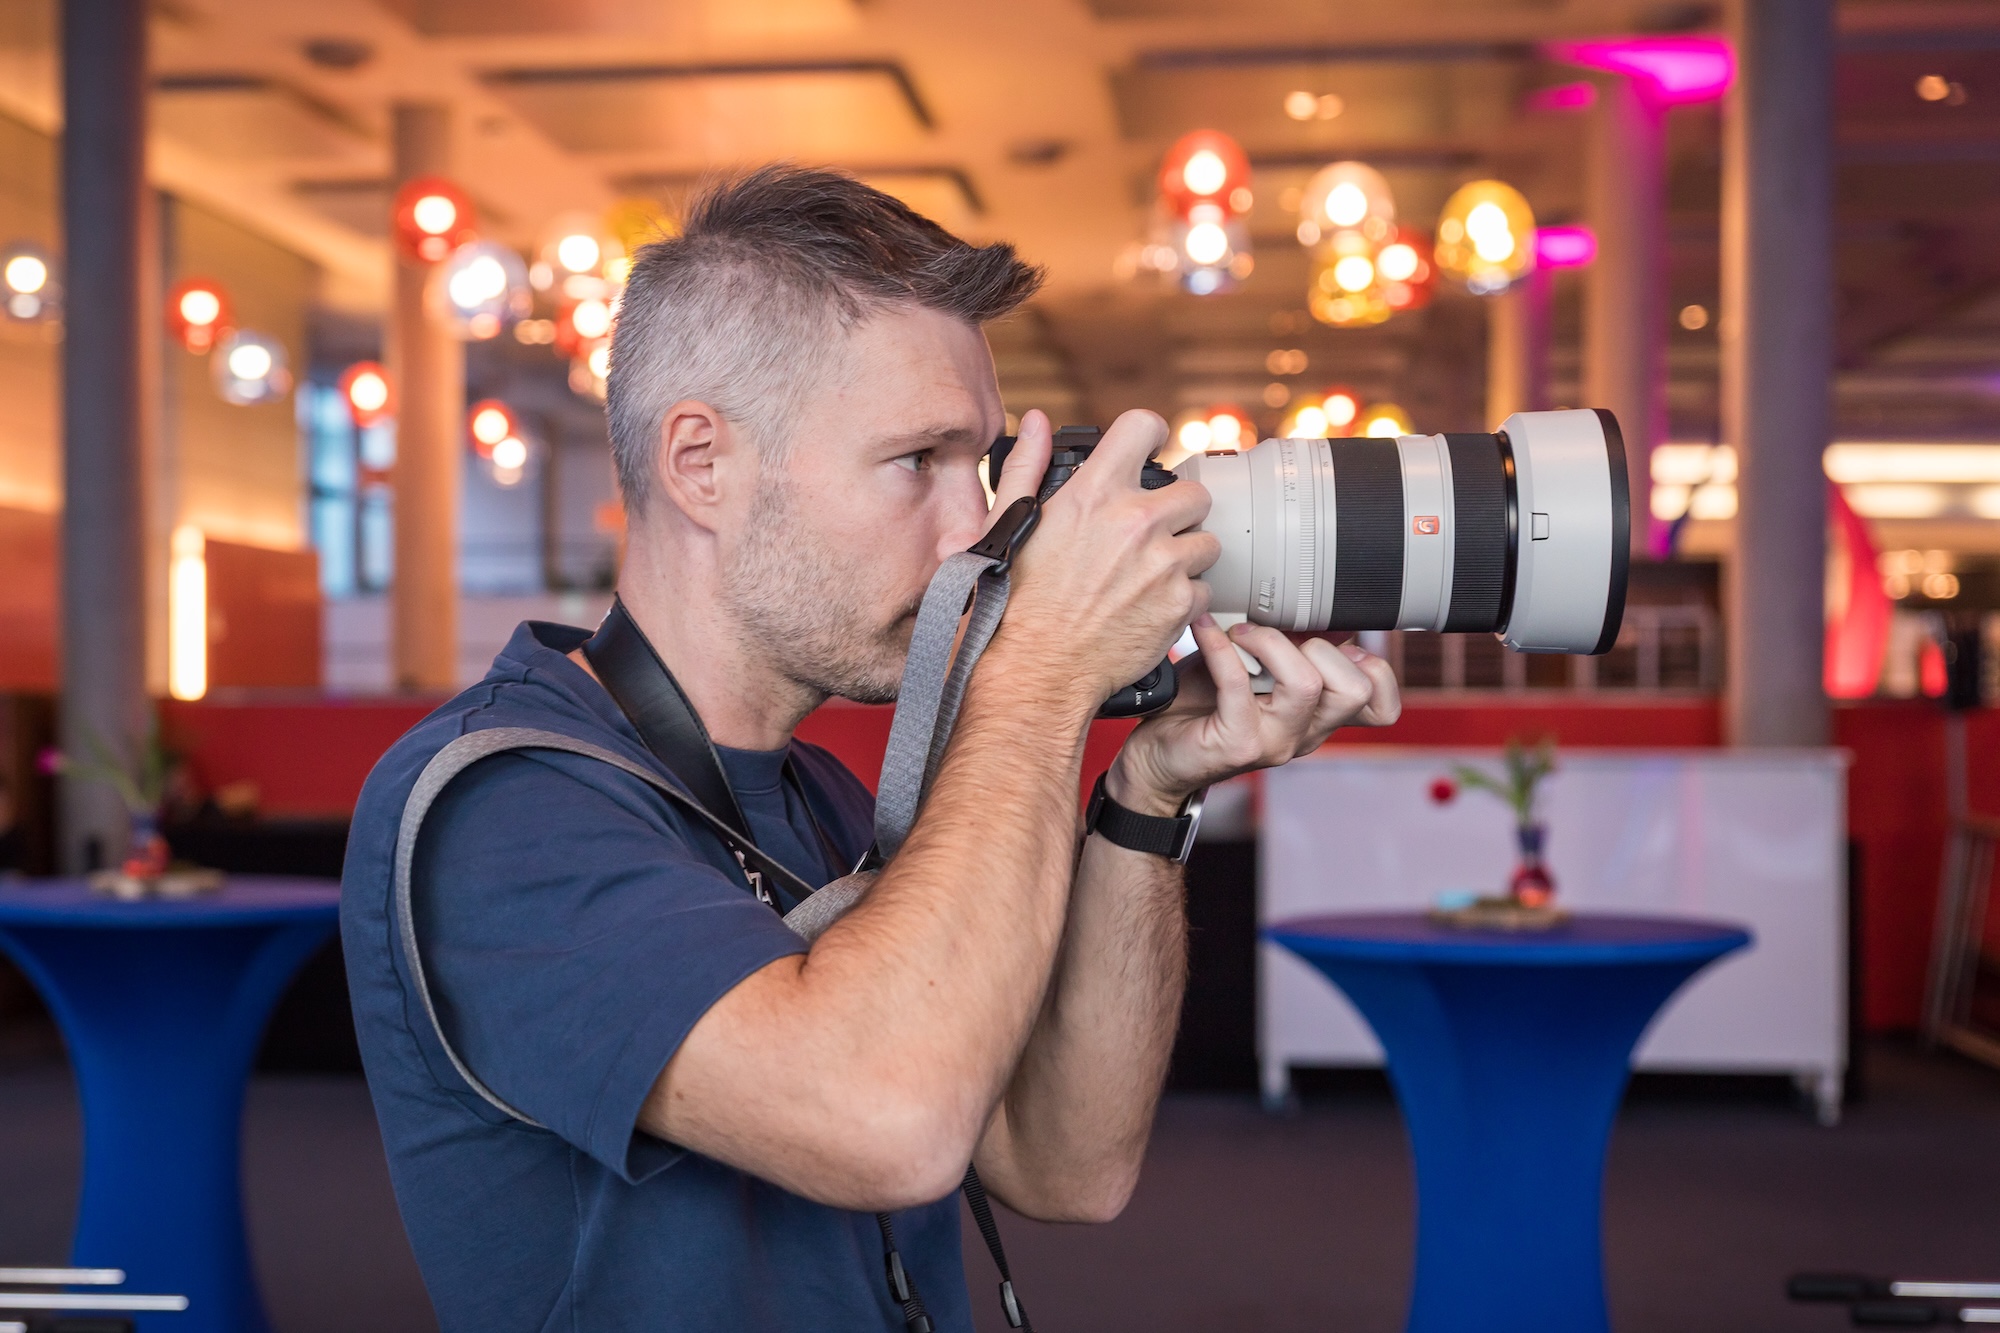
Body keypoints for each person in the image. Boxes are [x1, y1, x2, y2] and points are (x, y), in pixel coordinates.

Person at [341, 165, 1400, 1332]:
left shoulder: (830, 797)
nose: (971, 530)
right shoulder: (500, 806)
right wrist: (1042, 666)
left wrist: (1145, 791)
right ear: (701, 464)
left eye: (981, 465)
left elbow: (1065, 1165)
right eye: (918, 462)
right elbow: (888, 1122)